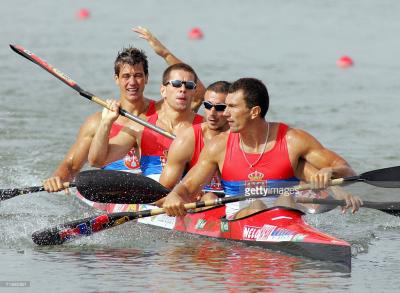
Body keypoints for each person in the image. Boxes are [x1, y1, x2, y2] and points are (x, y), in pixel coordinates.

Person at [162, 78, 362, 219]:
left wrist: (330, 171)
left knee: (285, 200)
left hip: (287, 215)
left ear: (254, 112)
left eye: (232, 107)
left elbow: (348, 172)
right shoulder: (219, 146)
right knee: (256, 205)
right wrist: (174, 196)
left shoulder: (292, 140)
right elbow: (188, 187)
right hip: (239, 219)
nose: (225, 114)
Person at [43, 27, 205, 192]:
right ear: (117, 79)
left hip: (152, 188)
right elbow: (72, 166)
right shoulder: (96, 122)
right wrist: (57, 178)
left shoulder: (163, 110)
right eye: (126, 76)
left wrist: (165, 54)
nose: (132, 83)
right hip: (114, 191)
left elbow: (198, 94)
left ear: (147, 78)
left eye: (138, 76)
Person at [88, 63, 203, 182]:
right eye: (176, 84)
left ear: (194, 92)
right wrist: (106, 122)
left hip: (188, 194)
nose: (183, 89)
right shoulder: (140, 125)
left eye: (189, 86)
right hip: (151, 194)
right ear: (163, 90)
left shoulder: (205, 129)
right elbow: (96, 161)